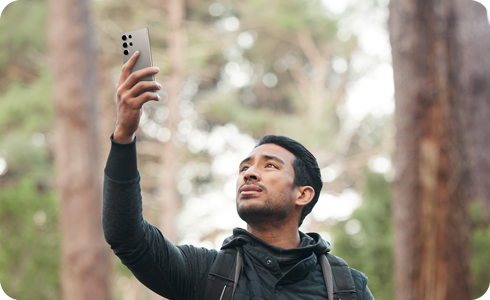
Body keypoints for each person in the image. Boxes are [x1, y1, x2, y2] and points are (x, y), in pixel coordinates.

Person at [103, 52, 374, 300]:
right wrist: (124, 137)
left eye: (270, 166)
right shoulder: (203, 273)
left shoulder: (348, 287)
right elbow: (127, 236)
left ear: (303, 194)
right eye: (244, 168)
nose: (250, 174)